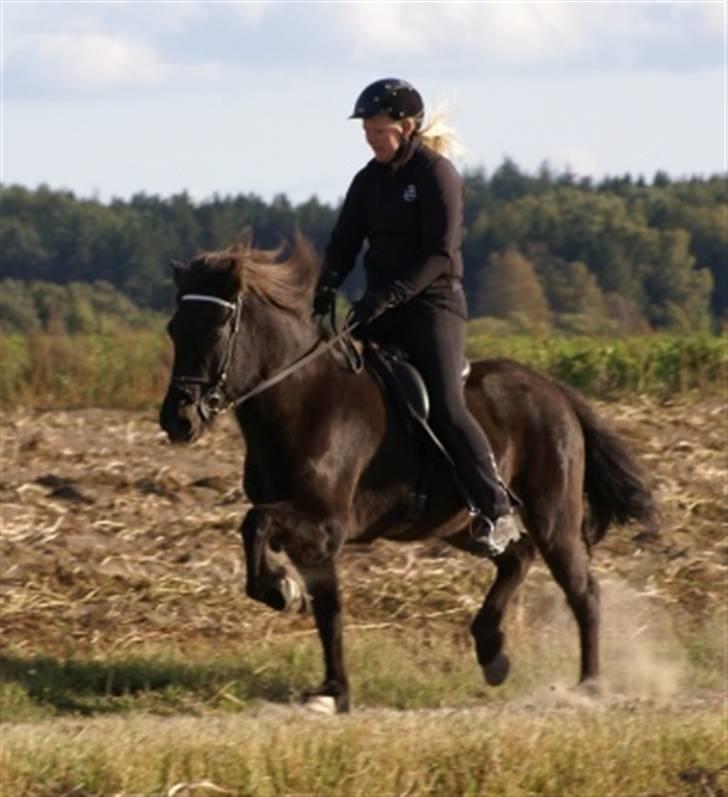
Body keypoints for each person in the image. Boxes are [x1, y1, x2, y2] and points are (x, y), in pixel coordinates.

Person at [313, 77, 520, 555]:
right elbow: (345, 241)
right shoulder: (368, 180)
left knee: (446, 405)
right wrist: (327, 284)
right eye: (366, 130)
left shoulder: (435, 175)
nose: (369, 137)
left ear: (405, 128)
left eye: (377, 130)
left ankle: (496, 509)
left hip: (432, 307)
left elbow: (441, 255)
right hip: (380, 306)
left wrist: (390, 296)